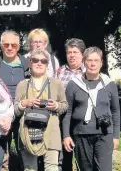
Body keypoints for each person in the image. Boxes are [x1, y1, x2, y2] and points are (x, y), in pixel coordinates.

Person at [62, 47, 121, 171]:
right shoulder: (74, 84)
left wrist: (116, 136)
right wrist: (66, 135)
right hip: (81, 134)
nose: (92, 63)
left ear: (101, 63)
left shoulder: (109, 84)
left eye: (96, 60)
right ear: (84, 62)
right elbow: (67, 112)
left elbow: (115, 112)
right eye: (89, 60)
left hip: (104, 134)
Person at [15, 49, 68, 171]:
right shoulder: (22, 84)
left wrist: (56, 106)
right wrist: (25, 103)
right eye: (35, 60)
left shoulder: (56, 84)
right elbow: (16, 110)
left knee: (51, 168)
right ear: (30, 62)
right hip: (28, 131)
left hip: (51, 131)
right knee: (29, 168)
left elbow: (65, 106)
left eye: (43, 61)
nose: (39, 63)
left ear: (47, 64)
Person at [0, 30, 31, 171]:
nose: (10, 48)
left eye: (14, 45)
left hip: (22, 114)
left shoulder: (27, 65)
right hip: (1, 114)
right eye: (6, 45)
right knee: (1, 150)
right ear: (1, 45)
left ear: (18, 46)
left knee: (23, 149)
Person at [55, 38, 86, 171]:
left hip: (82, 119)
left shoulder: (87, 72)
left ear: (83, 54)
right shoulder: (61, 71)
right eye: (69, 52)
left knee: (82, 157)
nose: (72, 55)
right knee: (64, 155)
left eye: (75, 52)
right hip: (63, 118)